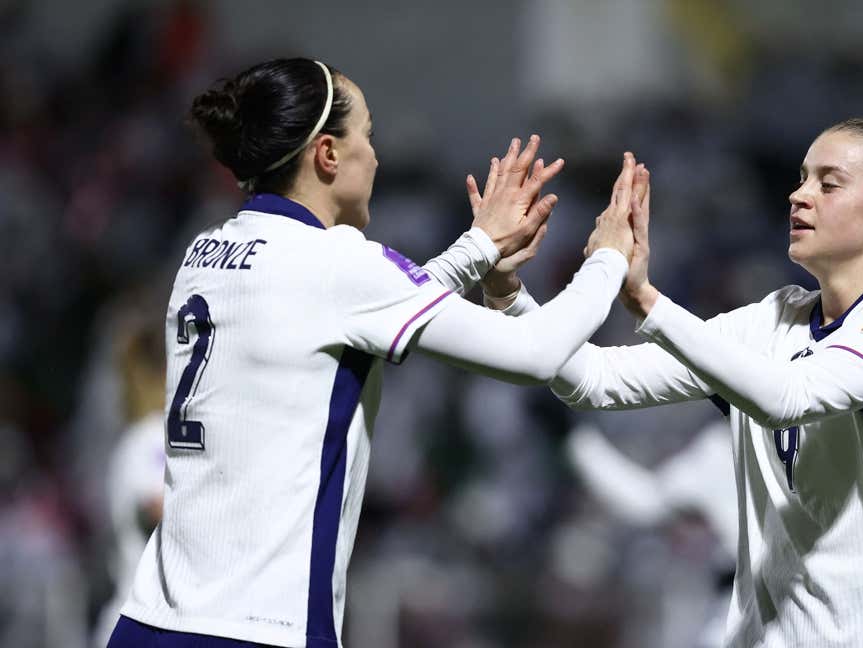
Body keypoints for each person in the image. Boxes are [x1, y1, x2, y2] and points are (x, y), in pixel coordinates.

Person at [109, 57, 641, 648]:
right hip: (258, 630)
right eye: (367, 134)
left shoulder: (205, 253)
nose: (376, 155)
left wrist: (478, 248)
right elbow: (537, 353)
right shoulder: (337, 262)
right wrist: (610, 257)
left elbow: (361, 309)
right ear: (328, 155)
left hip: (149, 622)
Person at [478, 118, 863, 647]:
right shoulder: (771, 320)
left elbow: (791, 398)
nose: (799, 195)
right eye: (802, 179)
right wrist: (507, 289)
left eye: (829, 183)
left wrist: (647, 300)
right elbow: (594, 379)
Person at [565, 420, 737, 648]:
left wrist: (581, 443)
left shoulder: (721, 448)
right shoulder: (728, 446)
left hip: (746, 601)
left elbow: (647, 502)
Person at [94, 314, 167, 647]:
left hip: (139, 621)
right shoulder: (149, 438)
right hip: (143, 622)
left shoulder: (136, 439)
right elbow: (158, 509)